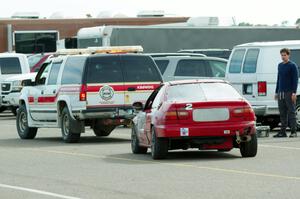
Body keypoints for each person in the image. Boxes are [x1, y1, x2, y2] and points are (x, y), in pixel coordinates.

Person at [274, 48, 299, 138]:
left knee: (291, 112)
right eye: (282, 55)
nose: (283, 57)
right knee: (282, 112)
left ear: (288, 55)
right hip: (281, 92)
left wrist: (294, 93)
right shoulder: (280, 65)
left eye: (285, 55)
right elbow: (278, 79)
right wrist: (276, 92)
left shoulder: (292, 66)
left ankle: (293, 131)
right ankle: (282, 132)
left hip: (289, 92)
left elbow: (295, 80)